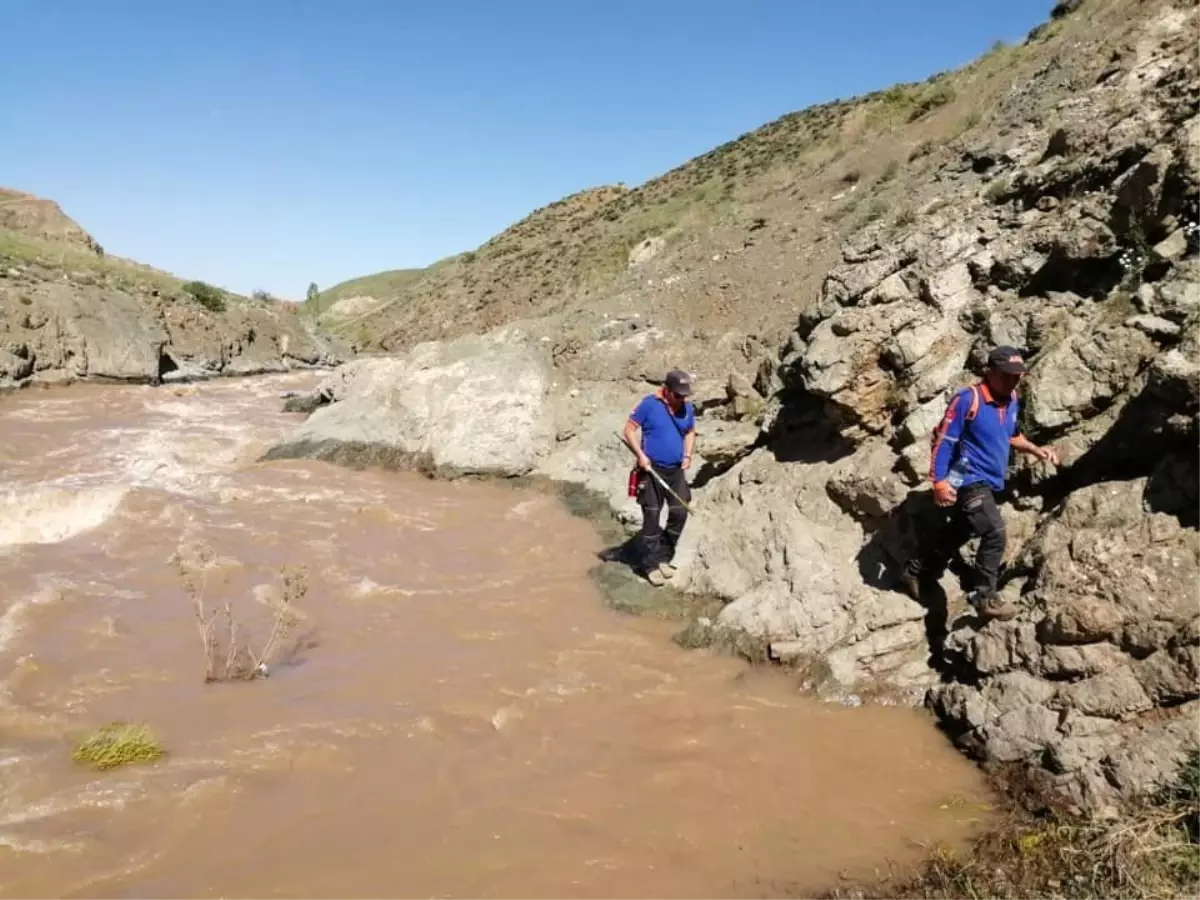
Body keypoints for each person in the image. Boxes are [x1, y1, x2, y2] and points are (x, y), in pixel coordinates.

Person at [900, 346, 1060, 621]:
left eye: (1018, 375)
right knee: (994, 531)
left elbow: (1012, 435)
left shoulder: (1011, 399)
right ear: (991, 371)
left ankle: (915, 570)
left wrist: (1035, 449)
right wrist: (939, 482)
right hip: (968, 479)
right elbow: (944, 442)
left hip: (992, 480)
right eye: (1008, 375)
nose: (1014, 380)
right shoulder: (967, 400)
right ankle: (985, 598)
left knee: (961, 530)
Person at [623, 369, 697, 587]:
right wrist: (641, 455)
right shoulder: (649, 404)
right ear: (667, 391)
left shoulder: (687, 408)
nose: (682, 399)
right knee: (652, 519)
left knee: (680, 511)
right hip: (651, 471)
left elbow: (690, 432)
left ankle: (663, 555)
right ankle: (650, 565)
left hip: (676, 471)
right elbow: (628, 430)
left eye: (685, 395)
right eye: (678, 395)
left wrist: (687, 455)